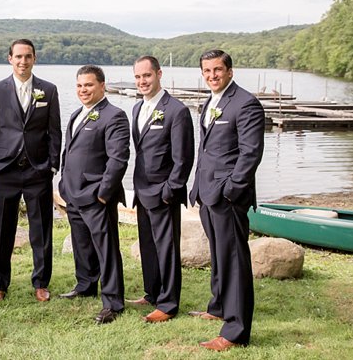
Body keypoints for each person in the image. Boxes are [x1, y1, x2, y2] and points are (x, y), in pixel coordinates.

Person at [188, 49, 265, 351]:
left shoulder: (246, 103)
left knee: (233, 260)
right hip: (208, 193)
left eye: (217, 70)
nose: (212, 76)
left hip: (228, 196)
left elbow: (250, 154)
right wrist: (197, 186)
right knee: (219, 255)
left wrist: (231, 189)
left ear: (230, 71)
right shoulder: (211, 101)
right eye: (206, 71)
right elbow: (207, 150)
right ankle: (218, 306)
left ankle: (235, 331)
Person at [0, 39, 62, 303]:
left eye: (28, 56)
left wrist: (51, 165)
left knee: (41, 230)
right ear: (10, 59)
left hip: (37, 170)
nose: (23, 61)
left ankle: (41, 283)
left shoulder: (48, 91)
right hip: (4, 170)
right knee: (1, 230)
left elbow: (54, 131)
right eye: (18, 56)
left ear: (34, 59)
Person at [58, 65, 129, 324]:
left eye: (88, 85)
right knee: (82, 244)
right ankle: (85, 284)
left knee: (106, 249)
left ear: (102, 85)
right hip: (73, 194)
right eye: (79, 85)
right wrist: (63, 183)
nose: (83, 90)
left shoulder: (114, 115)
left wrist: (103, 193)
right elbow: (70, 152)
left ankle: (113, 302)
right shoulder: (78, 113)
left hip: (96, 196)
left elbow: (118, 158)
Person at [129, 56, 194, 323]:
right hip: (142, 190)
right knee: (148, 246)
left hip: (163, 192)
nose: (142, 81)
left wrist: (170, 190)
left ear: (159, 74)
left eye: (147, 76)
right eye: (138, 77)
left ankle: (168, 303)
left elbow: (183, 158)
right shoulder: (136, 108)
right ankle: (152, 292)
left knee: (166, 248)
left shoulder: (176, 110)